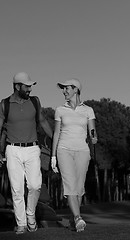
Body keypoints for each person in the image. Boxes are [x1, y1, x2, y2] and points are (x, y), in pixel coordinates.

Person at [0, 72, 53, 234]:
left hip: (33, 149)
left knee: (35, 185)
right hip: (12, 150)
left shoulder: (35, 101)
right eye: (26, 86)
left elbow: (42, 121)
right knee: (17, 189)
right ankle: (21, 223)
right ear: (17, 86)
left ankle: (30, 214)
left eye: (30, 86)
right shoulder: (4, 104)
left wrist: (54, 138)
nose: (29, 89)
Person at [50, 78, 97, 232]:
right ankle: (78, 218)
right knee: (70, 186)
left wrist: (94, 137)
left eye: (67, 88)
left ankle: (73, 218)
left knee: (78, 188)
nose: (64, 91)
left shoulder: (88, 110)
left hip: (83, 151)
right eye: (63, 89)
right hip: (63, 150)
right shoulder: (60, 110)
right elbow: (56, 133)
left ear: (76, 89)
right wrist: (53, 156)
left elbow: (92, 130)